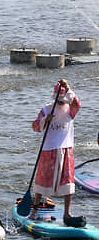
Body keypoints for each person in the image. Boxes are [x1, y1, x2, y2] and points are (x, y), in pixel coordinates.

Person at [29, 79, 83, 225]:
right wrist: (46, 120)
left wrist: (67, 87)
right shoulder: (47, 109)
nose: (61, 103)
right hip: (49, 149)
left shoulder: (70, 109)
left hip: (66, 149)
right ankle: (34, 211)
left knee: (68, 181)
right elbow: (35, 126)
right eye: (59, 101)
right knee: (42, 180)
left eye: (63, 100)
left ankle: (67, 213)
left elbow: (77, 104)